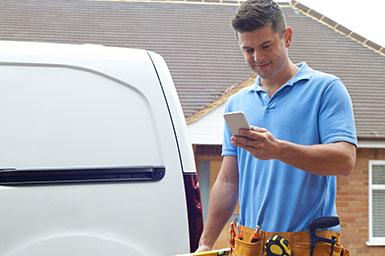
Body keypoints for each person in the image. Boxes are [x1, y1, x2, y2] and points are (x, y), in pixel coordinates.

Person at [196, 0, 357, 254]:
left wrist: (278, 150)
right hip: (249, 245)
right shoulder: (237, 103)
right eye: (248, 50)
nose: (258, 58)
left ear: (287, 37)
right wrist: (205, 244)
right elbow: (228, 181)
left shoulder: (326, 89)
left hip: (307, 246)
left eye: (266, 46)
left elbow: (345, 162)